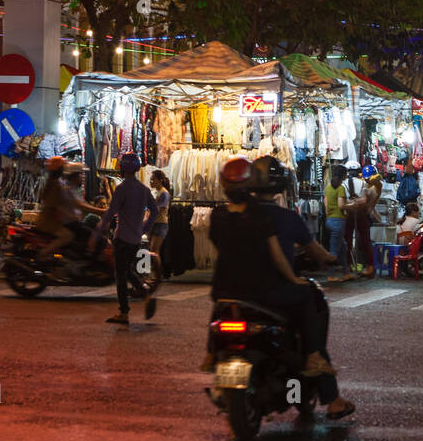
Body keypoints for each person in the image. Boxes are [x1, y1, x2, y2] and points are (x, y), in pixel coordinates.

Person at [205, 157, 354, 419]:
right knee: (308, 296)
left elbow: (222, 249)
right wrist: (301, 275)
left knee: (223, 307)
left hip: (225, 289)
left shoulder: (218, 215)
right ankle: (314, 361)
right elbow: (278, 256)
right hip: (266, 291)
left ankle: (209, 354)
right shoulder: (270, 217)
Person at [90, 153, 158, 325]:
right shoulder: (144, 190)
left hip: (122, 238)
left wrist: (96, 234)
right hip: (135, 238)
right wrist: (144, 228)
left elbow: (109, 214)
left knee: (120, 275)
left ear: (122, 169)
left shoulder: (121, 189)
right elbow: (155, 211)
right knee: (126, 271)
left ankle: (124, 312)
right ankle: (145, 293)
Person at [323, 164, 351, 282]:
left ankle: (346, 272)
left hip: (329, 220)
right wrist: (352, 206)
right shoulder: (340, 188)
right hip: (338, 221)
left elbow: (325, 205)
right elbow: (341, 205)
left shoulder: (328, 187)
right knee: (334, 249)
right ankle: (331, 275)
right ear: (343, 176)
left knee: (343, 247)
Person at [148, 169, 172, 256]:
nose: (151, 181)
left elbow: (160, 210)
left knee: (154, 251)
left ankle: (159, 270)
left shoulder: (164, 193)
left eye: (153, 179)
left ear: (160, 180)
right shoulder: (156, 192)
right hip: (154, 223)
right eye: (151, 179)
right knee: (151, 250)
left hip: (160, 224)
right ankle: (155, 269)